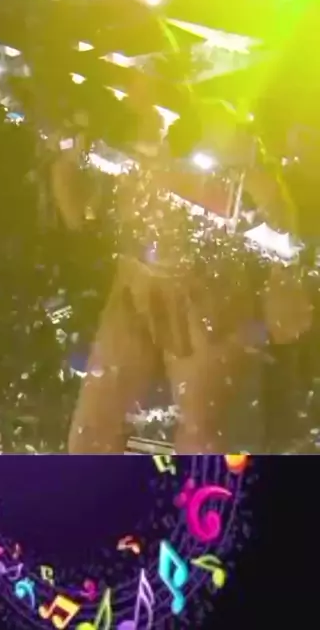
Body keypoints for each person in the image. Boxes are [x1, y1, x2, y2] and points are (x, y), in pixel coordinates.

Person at [61, 102, 313, 454]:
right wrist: (68, 158)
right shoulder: (134, 130)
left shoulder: (233, 147)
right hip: (138, 291)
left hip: (208, 297)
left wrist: (282, 275)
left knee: (202, 436)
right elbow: (78, 215)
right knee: (93, 435)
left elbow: (278, 223)